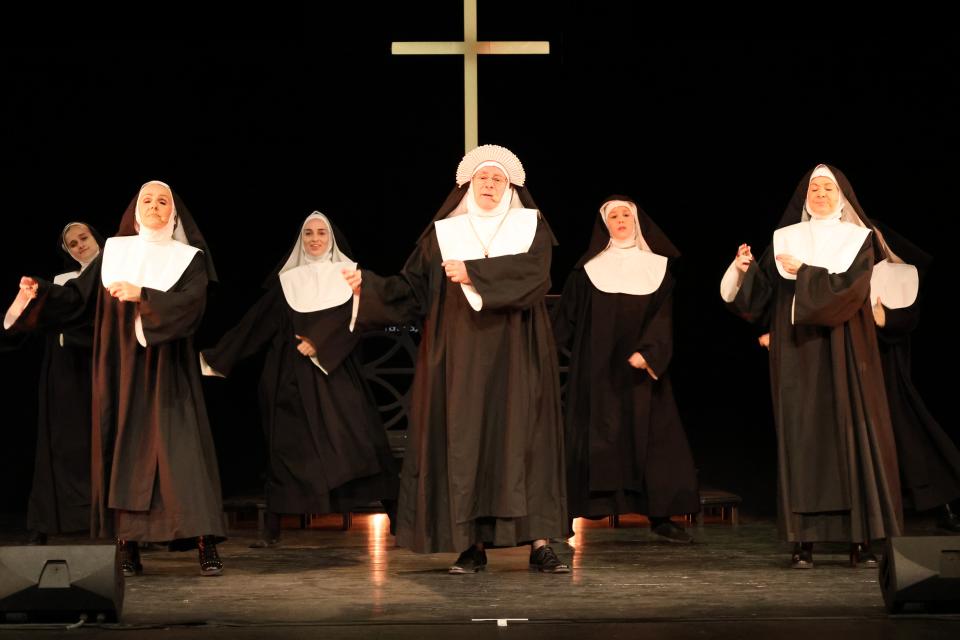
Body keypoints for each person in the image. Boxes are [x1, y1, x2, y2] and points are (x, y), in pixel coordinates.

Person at [342, 145, 570, 574]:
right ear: (468, 185)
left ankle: (540, 543)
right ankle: (472, 545)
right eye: (482, 178)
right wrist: (368, 288)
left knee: (525, 440)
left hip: (517, 352)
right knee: (466, 443)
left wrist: (474, 273)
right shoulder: (443, 233)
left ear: (510, 187)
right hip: (459, 355)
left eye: (498, 179)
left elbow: (536, 277)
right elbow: (412, 290)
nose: (490, 185)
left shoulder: (531, 226)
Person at [5, 181, 226, 577]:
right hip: (119, 368)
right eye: (147, 200)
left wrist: (144, 295)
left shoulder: (189, 258)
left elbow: (192, 306)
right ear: (135, 210)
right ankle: (127, 545)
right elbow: (78, 300)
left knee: (182, 454)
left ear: (174, 214)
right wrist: (39, 293)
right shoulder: (115, 251)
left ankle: (204, 540)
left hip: (168, 368)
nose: (154, 206)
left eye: (163, 201)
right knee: (124, 452)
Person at [720, 164, 902, 569]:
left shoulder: (859, 239)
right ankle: (804, 541)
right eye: (814, 189)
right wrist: (745, 271)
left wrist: (805, 273)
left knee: (853, 434)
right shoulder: (786, 238)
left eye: (828, 189)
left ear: (842, 197)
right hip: (797, 349)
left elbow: (851, 291)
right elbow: (762, 298)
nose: (820, 194)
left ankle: (860, 540)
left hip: (847, 344)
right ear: (804, 197)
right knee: (801, 438)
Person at [200, 212, 399, 546]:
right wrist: (217, 357)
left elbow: (360, 319)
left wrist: (321, 343)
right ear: (300, 240)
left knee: (359, 444)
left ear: (332, 240)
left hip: (337, 374)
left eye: (321, 233)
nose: (315, 239)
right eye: (308, 233)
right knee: (287, 451)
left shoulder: (350, 275)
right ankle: (272, 529)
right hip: (289, 377)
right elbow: (255, 325)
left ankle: (397, 520)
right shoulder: (287, 282)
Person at [552, 196, 699, 543]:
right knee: (588, 438)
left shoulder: (658, 267)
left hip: (641, 370)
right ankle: (566, 517)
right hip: (595, 372)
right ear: (604, 225)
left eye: (625, 215)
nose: (620, 220)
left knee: (653, 438)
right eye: (613, 216)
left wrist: (650, 352)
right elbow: (566, 318)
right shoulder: (587, 270)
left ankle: (661, 516)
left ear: (637, 221)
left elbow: (664, 317)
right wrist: (542, 350)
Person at [7, 223, 103, 545]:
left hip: (103, 365)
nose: (80, 246)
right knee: (61, 445)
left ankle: (122, 527)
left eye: (84, 238)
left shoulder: (115, 270)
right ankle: (49, 521)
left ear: (97, 237)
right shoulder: (63, 282)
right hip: (65, 370)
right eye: (72, 244)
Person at [868, 222, 960, 532]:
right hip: (854, 368)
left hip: (888, 368)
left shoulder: (900, 274)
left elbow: (908, 318)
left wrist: (885, 317)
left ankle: (943, 505)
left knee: (910, 437)